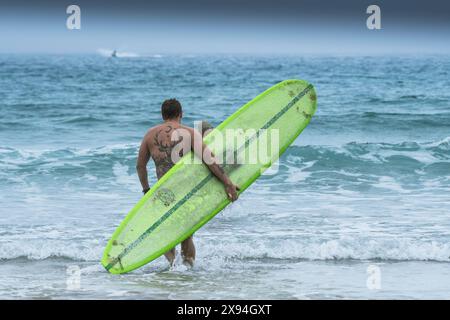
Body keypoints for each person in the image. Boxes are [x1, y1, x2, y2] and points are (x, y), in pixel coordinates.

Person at [136, 99, 239, 267]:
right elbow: (209, 160)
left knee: (165, 231)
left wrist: (146, 190)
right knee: (187, 234)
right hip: (186, 191)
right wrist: (227, 182)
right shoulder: (190, 133)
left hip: (163, 192)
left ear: (163, 115)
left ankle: (173, 265)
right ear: (181, 114)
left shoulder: (149, 135)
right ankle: (188, 269)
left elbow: (140, 166)